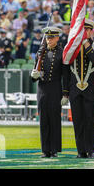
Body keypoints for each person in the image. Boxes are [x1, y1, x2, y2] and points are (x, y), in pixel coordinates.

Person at [30, 26, 70, 158]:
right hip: (42, 89)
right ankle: (45, 149)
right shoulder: (40, 52)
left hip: (55, 89)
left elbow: (65, 74)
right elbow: (34, 73)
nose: (49, 40)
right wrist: (33, 75)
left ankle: (54, 149)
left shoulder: (61, 53)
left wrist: (65, 93)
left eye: (52, 37)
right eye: (47, 37)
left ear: (57, 38)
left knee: (54, 119)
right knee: (43, 120)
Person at [67, 19, 94, 159]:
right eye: (81, 30)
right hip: (75, 88)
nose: (83, 33)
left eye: (86, 30)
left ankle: (91, 149)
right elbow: (66, 63)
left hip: (90, 89)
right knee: (77, 120)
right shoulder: (72, 47)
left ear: (90, 31)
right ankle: (80, 150)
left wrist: (86, 44)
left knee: (89, 119)